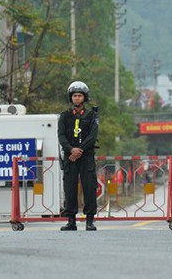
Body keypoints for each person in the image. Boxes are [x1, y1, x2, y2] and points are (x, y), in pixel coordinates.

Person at [58, 81, 99, 231]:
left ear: (84, 97)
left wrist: (79, 151)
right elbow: (61, 136)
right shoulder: (64, 116)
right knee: (69, 189)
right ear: (71, 97)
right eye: (74, 96)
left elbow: (92, 136)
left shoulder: (92, 115)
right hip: (70, 158)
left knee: (89, 188)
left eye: (79, 96)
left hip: (86, 157)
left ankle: (89, 220)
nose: (77, 98)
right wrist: (71, 150)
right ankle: (71, 221)